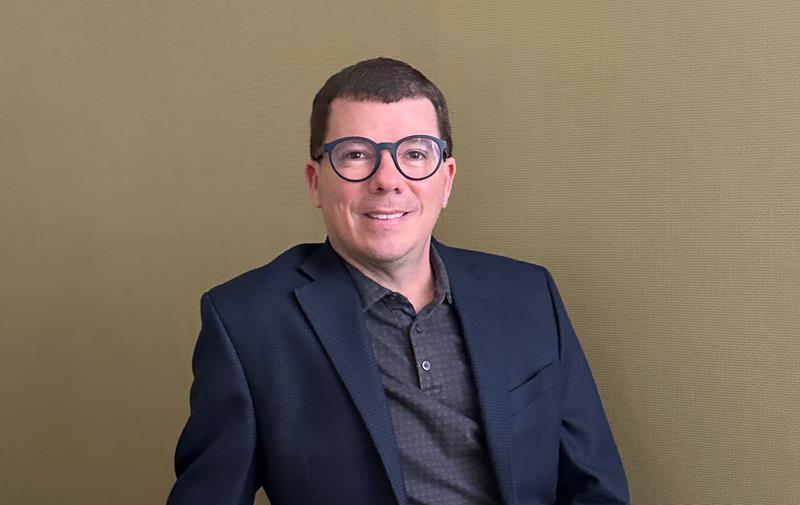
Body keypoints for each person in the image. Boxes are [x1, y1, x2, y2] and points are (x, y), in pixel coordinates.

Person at [166, 57, 629, 505]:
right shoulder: (247, 322)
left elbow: (595, 488)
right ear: (315, 182)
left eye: (414, 154)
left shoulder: (528, 294)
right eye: (355, 155)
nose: (388, 180)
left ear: (446, 180)